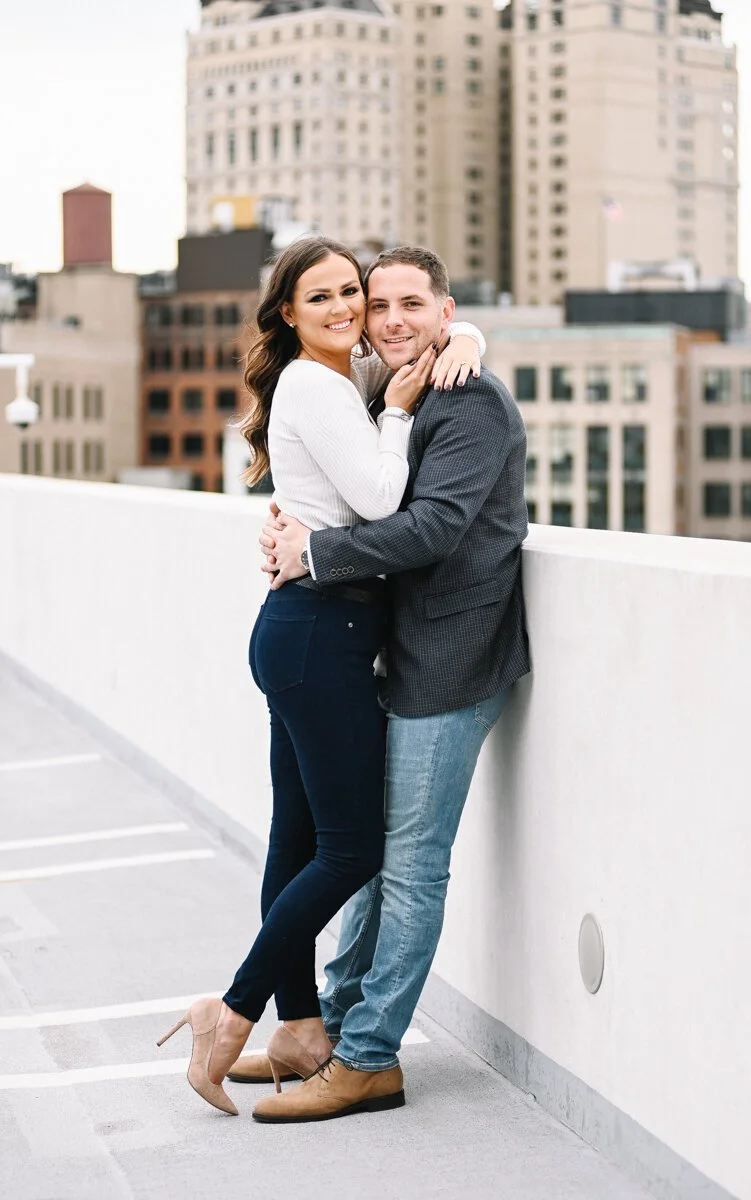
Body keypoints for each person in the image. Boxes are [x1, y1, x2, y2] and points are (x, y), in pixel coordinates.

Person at [155, 236, 485, 1116]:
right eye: (323, 297)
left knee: (297, 841)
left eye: (353, 293)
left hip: (306, 629)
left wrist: (467, 338)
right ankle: (233, 1008)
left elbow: (434, 337)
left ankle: (302, 1026)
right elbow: (380, 500)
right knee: (352, 850)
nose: (346, 310)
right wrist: (402, 415)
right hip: (321, 634)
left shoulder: (346, 376)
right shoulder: (316, 384)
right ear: (288, 314)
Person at [246, 245, 530, 1123]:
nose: (391, 319)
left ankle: (369, 1058)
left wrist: (315, 552)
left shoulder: (469, 400)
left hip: (451, 659)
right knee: (368, 864)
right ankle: (333, 1026)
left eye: (414, 304)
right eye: (380, 305)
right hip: (393, 653)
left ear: (444, 308)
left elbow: (434, 527)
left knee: (406, 868)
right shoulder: (385, 385)